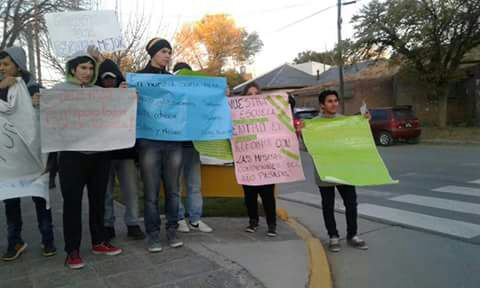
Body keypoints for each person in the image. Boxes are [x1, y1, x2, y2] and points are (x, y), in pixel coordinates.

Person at [53, 50, 122, 269]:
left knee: (98, 200)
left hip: (99, 156)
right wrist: (37, 102)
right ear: (73, 69)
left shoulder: (98, 92)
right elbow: (46, 118)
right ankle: (72, 250)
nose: (88, 72)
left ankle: (99, 241)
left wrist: (126, 98)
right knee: (72, 203)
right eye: (83, 67)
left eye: (91, 68)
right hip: (71, 157)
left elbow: (116, 113)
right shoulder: (57, 92)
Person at [0, 46, 56, 261]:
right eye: (1, 65)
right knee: (10, 201)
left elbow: (50, 111)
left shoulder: (33, 86)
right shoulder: (2, 86)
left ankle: (47, 239)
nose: (2, 68)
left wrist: (41, 102)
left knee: (40, 200)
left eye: (6, 64)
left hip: (33, 159)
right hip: (8, 162)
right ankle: (15, 242)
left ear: (18, 64)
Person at [135, 38, 184, 252]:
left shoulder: (174, 81)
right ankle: (153, 234)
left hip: (173, 142)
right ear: (152, 53)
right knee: (151, 192)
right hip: (148, 143)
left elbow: (190, 104)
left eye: (169, 52)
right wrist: (126, 93)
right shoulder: (138, 79)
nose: (167, 55)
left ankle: (172, 230)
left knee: (173, 191)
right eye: (163, 51)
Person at [95, 58, 145, 241]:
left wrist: (131, 98)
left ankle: (133, 223)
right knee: (105, 192)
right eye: (105, 78)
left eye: (113, 78)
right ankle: (108, 224)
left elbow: (140, 116)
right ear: (100, 80)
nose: (109, 82)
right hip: (104, 154)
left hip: (126, 153)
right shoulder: (94, 96)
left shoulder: (128, 93)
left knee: (131, 190)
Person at [313, 89, 369, 252]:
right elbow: (310, 146)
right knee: (328, 205)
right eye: (330, 101)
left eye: (336, 101)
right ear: (322, 105)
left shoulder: (345, 121)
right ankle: (333, 236)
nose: (334, 104)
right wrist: (303, 132)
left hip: (344, 169)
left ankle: (353, 235)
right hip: (325, 171)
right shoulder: (313, 124)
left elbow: (356, 139)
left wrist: (363, 122)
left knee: (351, 203)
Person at [172, 62, 213, 233]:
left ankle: (195, 219)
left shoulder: (197, 98)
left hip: (193, 146)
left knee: (194, 185)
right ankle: (179, 218)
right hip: (174, 147)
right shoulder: (171, 95)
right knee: (175, 186)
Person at [241, 82, 277, 237]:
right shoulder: (238, 113)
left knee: (267, 194)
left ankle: (272, 224)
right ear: (244, 97)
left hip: (266, 160)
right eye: (249, 94)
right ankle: (253, 221)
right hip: (247, 160)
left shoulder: (269, 112)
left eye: (256, 93)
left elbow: (285, 110)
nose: (253, 97)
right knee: (250, 195)